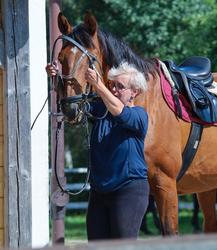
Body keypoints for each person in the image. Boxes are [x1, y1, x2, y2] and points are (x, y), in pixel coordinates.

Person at [46, 61, 150, 240]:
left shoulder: (139, 115)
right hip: (99, 192)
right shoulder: (101, 109)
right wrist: (57, 80)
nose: (114, 90)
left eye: (120, 86)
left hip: (129, 190)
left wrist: (98, 84)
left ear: (135, 92)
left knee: (123, 246)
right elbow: (73, 108)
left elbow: (120, 112)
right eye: (112, 85)